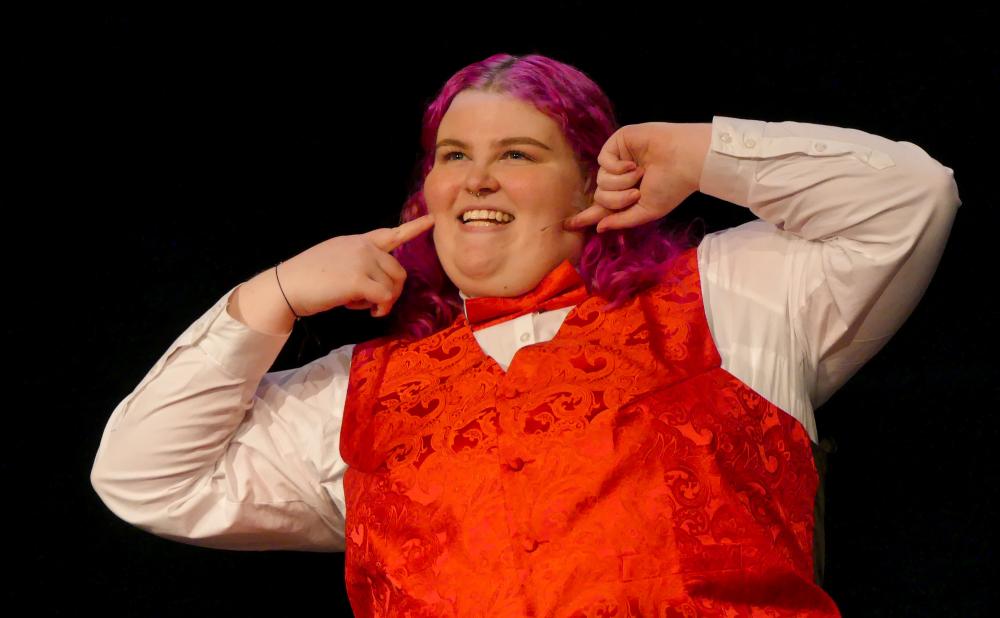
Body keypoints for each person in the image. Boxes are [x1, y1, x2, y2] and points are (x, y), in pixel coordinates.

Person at [90, 53, 961, 616]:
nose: (476, 179)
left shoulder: (730, 297)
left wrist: (700, 153)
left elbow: (909, 199)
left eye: (516, 153)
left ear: (589, 183)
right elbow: (144, 478)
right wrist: (272, 296)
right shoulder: (356, 392)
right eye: (453, 155)